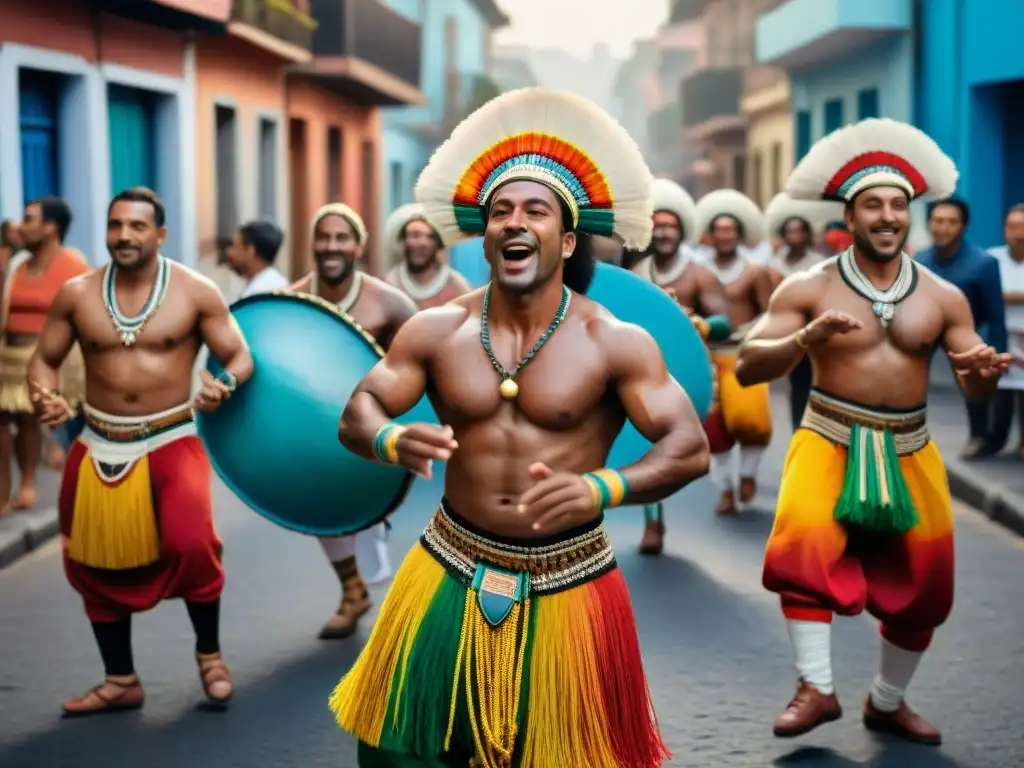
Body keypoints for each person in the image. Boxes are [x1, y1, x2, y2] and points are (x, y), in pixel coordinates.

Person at [328, 87, 709, 768]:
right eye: (500, 211)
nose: (514, 222)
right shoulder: (436, 329)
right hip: (448, 563)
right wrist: (389, 438)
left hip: (571, 580)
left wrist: (605, 488)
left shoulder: (613, 341)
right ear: (484, 236)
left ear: (565, 240)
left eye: (535, 211)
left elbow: (690, 447)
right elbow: (359, 410)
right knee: (393, 751)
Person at [735, 118, 1010, 745]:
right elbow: (750, 365)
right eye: (873, 205)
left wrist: (982, 372)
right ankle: (816, 689)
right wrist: (805, 339)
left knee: (927, 583)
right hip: (828, 436)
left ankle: (887, 701)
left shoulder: (943, 297)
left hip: (910, 446)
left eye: (898, 205)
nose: (888, 216)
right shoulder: (808, 285)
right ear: (849, 216)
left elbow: (973, 380)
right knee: (802, 548)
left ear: (910, 214)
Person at [27, 187, 253, 715]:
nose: (124, 236)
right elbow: (43, 360)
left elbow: (240, 356)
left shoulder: (195, 292)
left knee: (192, 543)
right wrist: (45, 396)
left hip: (170, 437)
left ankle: (210, 655)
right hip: (98, 440)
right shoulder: (77, 293)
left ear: (160, 234)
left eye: (136, 226)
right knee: (89, 558)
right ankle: (120, 680)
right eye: (115, 226)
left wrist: (224, 385)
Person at [292, 202, 419, 638]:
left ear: (359, 246)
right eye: (323, 237)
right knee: (323, 511)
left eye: (341, 237)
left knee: (365, 513)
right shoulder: (292, 301)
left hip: (372, 432)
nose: (331, 246)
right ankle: (351, 590)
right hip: (313, 433)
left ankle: (380, 574)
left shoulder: (388, 302)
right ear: (312, 243)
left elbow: (425, 355)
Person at [631, 177, 730, 553]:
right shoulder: (636, 272)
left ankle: (729, 487)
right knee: (646, 440)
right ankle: (653, 523)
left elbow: (725, 323)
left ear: (681, 231)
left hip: (690, 369)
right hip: (645, 368)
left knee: (696, 440)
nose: (664, 231)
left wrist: (700, 323)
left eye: (671, 225)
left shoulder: (700, 275)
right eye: (657, 224)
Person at [1, 197, 89, 512]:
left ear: (50, 227)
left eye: (29, 219)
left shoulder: (75, 267)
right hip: (8, 357)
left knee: (27, 420)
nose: (21, 226)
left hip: (43, 359)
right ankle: (2, 492)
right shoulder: (17, 266)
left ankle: (27, 484)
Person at [693, 189, 774, 515]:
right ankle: (725, 489)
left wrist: (753, 333)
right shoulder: (699, 272)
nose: (725, 235)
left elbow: (772, 312)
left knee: (752, 422)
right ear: (711, 235)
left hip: (744, 354)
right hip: (709, 356)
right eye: (719, 230)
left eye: (731, 230)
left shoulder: (755, 272)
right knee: (715, 429)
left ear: (739, 234)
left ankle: (748, 474)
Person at [916, 199, 1007, 459]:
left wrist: (999, 354)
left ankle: (978, 435)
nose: (943, 228)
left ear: (963, 226)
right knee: (906, 375)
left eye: (951, 222)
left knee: (972, 378)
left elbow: (995, 315)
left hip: (964, 332)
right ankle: (904, 431)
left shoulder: (983, 263)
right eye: (938, 221)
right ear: (929, 223)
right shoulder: (920, 259)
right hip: (926, 330)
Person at [763, 193, 838, 431]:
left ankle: (814, 424)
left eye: (799, 231)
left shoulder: (819, 262)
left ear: (806, 235)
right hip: (786, 331)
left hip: (813, 331)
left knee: (811, 380)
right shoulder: (775, 263)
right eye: (790, 232)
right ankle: (799, 426)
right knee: (794, 382)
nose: (795, 236)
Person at [384, 203, 472, 309]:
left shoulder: (456, 287)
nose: (422, 243)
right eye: (415, 235)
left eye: (431, 237)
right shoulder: (391, 285)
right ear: (404, 240)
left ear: (438, 244)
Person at [987, 203, 1024, 455]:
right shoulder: (991, 258)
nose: (1018, 233)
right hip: (999, 336)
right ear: (1004, 230)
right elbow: (984, 295)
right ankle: (992, 441)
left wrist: (1005, 296)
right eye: (1012, 226)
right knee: (999, 393)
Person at [224, 220, 290, 299]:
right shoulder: (261, 283)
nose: (229, 252)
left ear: (250, 250)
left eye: (235, 247)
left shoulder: (265, 289)